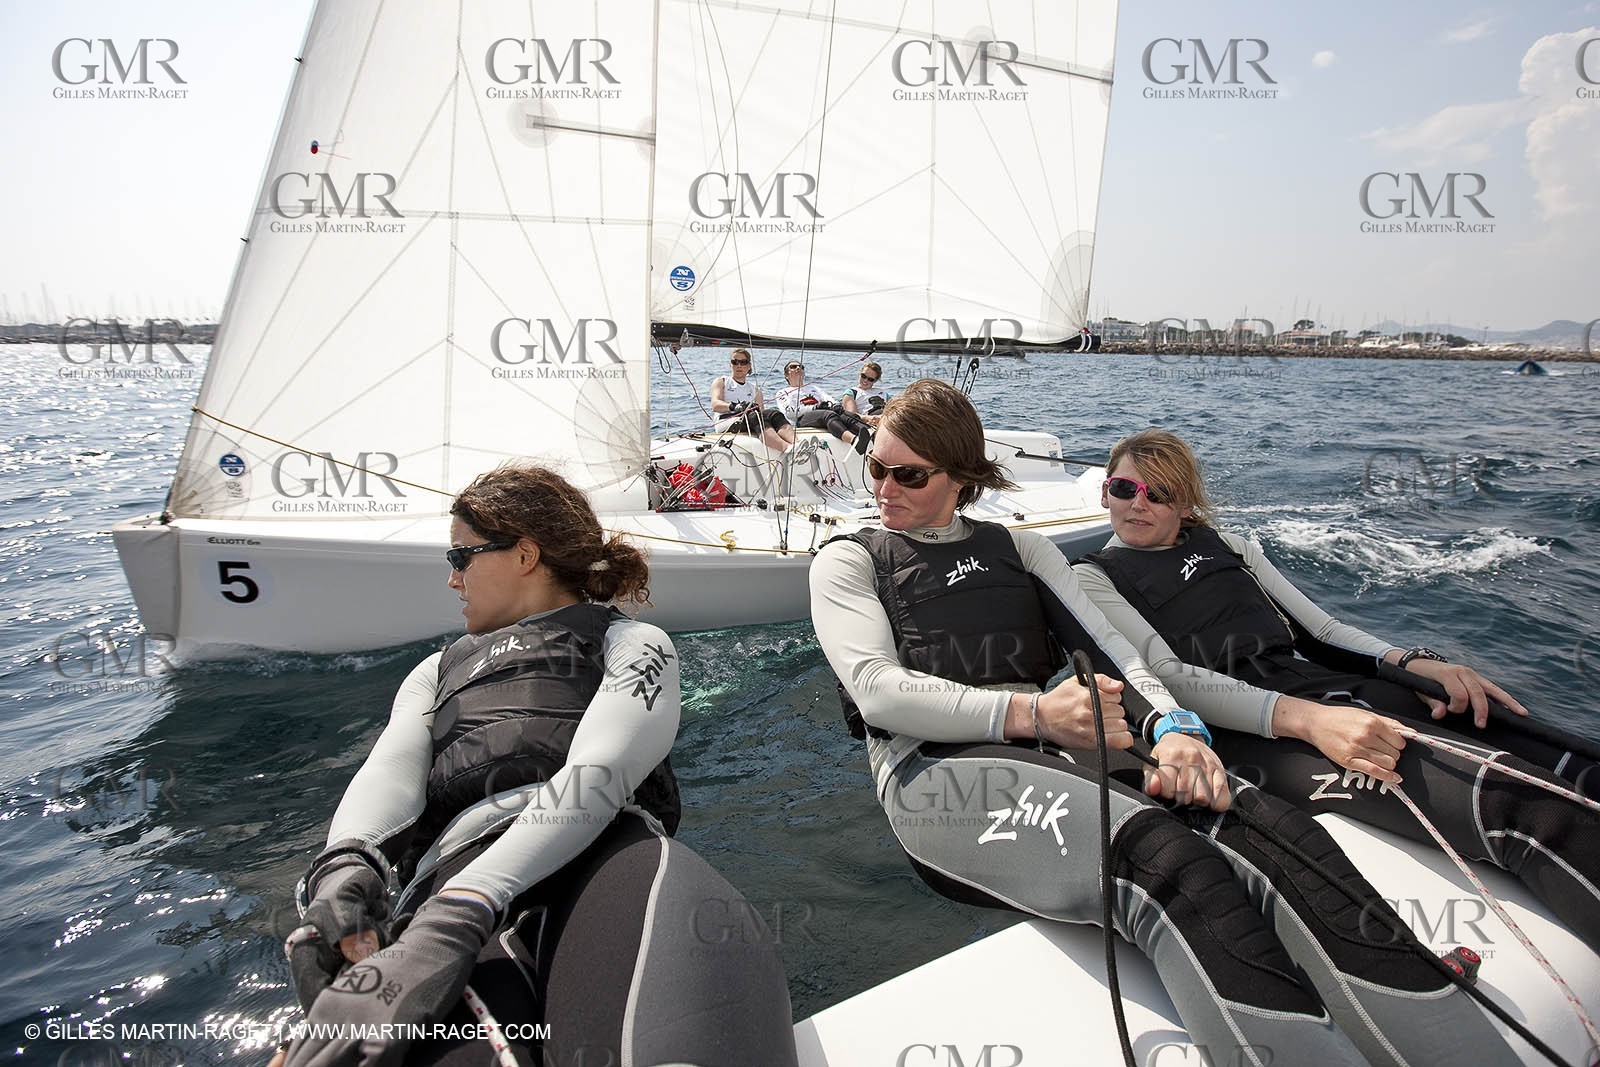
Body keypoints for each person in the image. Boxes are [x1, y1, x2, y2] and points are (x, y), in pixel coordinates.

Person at [808, 380, 1522, 1067]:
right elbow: (877, 691)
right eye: (876, 465)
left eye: (908, 473)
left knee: (1271, 829)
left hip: (1051, 747)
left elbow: (1111, 645)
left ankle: (1442, 1035)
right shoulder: (851, 560)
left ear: (963, 475)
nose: (883, 487)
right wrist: (1034, 712)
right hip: (934, 776)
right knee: (1168, 868)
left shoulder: (1019, 550)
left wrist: (1175, 727)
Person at [274, 463, 798, 1067]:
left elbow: (597, 777)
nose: (452, 579)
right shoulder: (436, 670)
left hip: (599, 861)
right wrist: (345, 868)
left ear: (524, 554)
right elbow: (389, 769)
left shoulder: (632, 643)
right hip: (455, 884)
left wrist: (458, 912)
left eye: (460, 557)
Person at [1072, 427, 1600, 950]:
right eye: (1124, 489)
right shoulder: (1096, 577)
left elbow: (1321, 633)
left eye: (1158, 493)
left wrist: (1416, 663)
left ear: (1186, 504)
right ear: (1105, 492)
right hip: (1258, 732)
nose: (1137, 505)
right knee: (1524, 805)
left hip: (1320, 688)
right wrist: (1311, 721)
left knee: (1563, 759)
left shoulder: (1230, 547)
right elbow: (1169, 676)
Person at [774, 358, 873, 454]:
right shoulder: (782, 393)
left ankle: (870, 434)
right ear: (786, 375)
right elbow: (789, 413)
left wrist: (835, 405)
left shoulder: (814, 388)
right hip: (803, 419)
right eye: (793, 367)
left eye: (801, 367)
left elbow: (827, 398)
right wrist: (814, 408)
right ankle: (854, 441)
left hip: (822, 413)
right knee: (828, 415)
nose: (798, 368)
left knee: (843, 414)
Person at [711, 347, 794, 452]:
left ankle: (796, 444)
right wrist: (735, 406)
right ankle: (786, 449)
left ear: (749, 365)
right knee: (754, 416)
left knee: (774, 414)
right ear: (730, 364)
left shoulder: (755, 389)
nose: (739, 366)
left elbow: (763, 413)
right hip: (726, 420)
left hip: (750, 419)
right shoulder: (721, 382)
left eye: (743, 362)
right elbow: (715, 405)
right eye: (735, 362)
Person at [839, 360, 889, 427]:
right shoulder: (852, 392)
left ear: (875, 381)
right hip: (872, 418)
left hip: (888, 416)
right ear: (860, 374)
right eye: (863, 376)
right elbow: (852, 415)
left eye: (870, 379)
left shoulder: (883, 393)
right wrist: (869, 418)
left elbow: (896, 407)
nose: (865, 380)